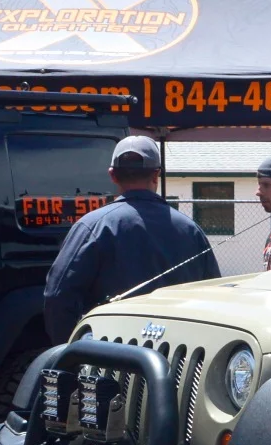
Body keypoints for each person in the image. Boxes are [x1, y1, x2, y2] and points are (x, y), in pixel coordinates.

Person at [43, 136, 220, 343]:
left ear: (113, 176)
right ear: (156, 175)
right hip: (175, 358)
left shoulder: (92, 226)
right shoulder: (191, 230)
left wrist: (72, 351)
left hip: (109, 358)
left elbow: (57, 296)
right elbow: (213, 296)